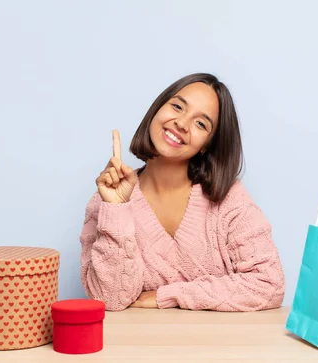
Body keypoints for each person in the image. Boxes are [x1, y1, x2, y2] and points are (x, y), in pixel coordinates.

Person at [79, 73, 285, 312]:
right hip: (138, 346)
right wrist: (116, 209)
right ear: (157, 109)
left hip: (218, 347)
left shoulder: (229, 198)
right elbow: (110, 299)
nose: (182, 124)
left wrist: (168, 296)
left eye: (201, 124)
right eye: (177, 107)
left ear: (206, 145)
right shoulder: (104, 202)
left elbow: (269, 285)